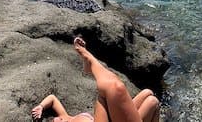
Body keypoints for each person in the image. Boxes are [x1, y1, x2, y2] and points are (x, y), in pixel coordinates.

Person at [31, 36, 161, 122]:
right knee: (115, 87)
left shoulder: (66, 117)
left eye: (55, 119)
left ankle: (91, 64)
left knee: (150, 97)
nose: (57, 119)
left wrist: (41, 106)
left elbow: (53, 99)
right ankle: (91, 62)